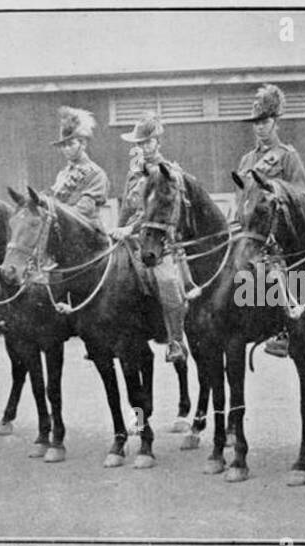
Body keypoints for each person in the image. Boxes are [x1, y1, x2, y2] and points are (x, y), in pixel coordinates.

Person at [236, 84, 305, 357]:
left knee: (278, 272)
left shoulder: (289, 157)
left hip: (279, 233)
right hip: (251, 230)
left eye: (264, 121)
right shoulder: (246, 160)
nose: (259, 127)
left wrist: (277, 194)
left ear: (275, 121)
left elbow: (301, 195)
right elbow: (240, 197)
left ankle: (285, 330)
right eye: (256, 122)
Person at [116, 112, 190, 363]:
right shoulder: (134, 173)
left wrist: (132, 228)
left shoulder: (168, 172)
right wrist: (118, 230)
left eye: (148, 142)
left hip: (158, 241)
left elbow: (157, 210)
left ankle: (176, 341)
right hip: (129, 240)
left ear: (158, 142)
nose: (144, 147)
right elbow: (126, 207)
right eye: (139, 143)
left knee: (167, 281)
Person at [49, 107, 110, 230]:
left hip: (88, 234)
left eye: (70, 144)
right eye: (63, 145)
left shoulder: (96, 173)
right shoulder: (62, 174)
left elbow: (84, 209)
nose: (66, 149)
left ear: (83, 144)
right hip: (63, 230)